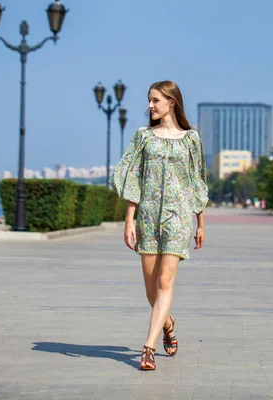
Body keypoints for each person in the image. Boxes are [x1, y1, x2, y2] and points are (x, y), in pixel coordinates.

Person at [110, 80, 208, 371]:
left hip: (178, 218)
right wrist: (129, 219)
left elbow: (197, 181)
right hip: (148, 217)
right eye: (149, 101)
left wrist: (200, 222)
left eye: (155, 100)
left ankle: (148, 348)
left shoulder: (191, 139)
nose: (150, 106)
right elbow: (133, 177)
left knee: (165, 282)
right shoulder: (143, 137)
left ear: (171, 102)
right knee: (151, 291)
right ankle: (168, 322)